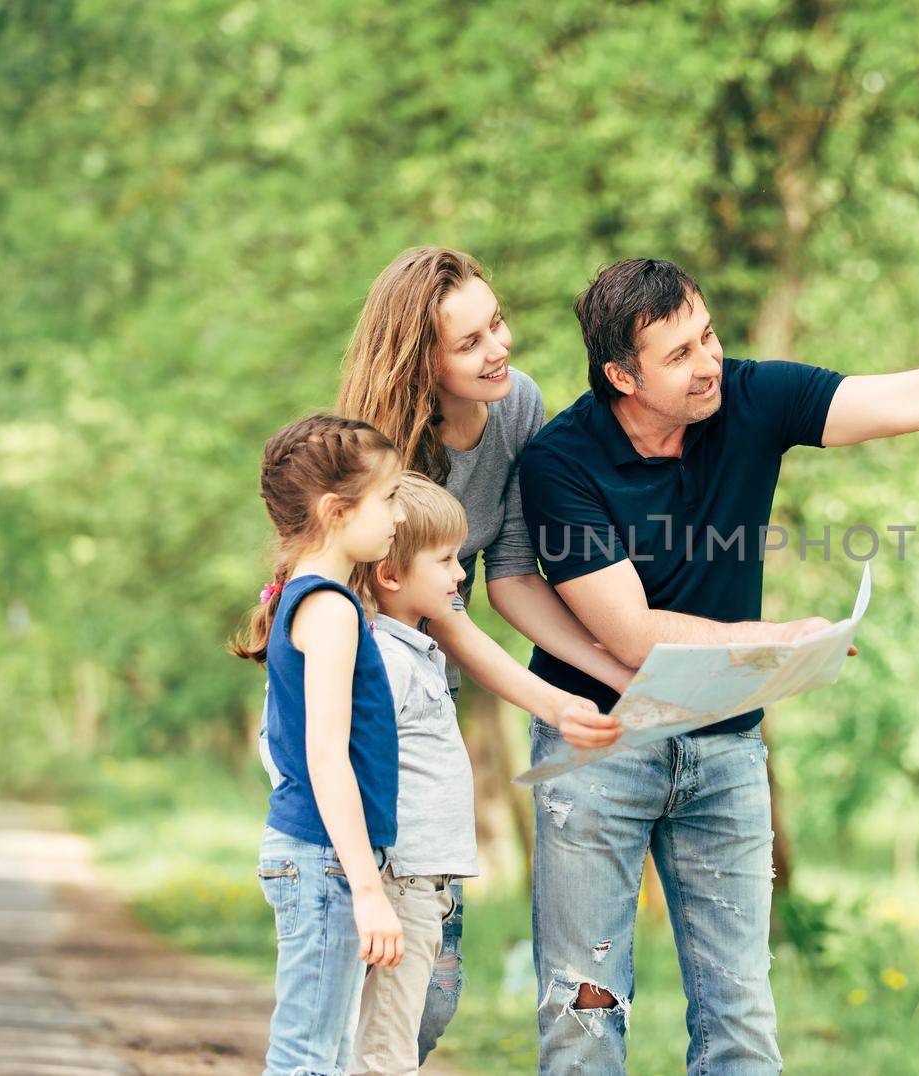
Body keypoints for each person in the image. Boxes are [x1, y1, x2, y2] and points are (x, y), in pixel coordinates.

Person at [518, 258, 919, 1074]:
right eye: (679, 355)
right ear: (621, 375)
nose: (709, 361)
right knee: (584, 1013)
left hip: (724, 747)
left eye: (707, 335)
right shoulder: (559, 460)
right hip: (597, 748)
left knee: (740, 1019)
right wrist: (782, 638)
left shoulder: (749, 397)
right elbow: (633, 636)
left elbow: (913, 397)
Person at [335, 245, 627, 1060]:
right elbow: (438, 614)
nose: (499, 348)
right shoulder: (382, 453)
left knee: (433, 985)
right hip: (372, 720)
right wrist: (555, 701)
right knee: (396, 984)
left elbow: (510, 578)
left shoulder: (518, 405)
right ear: (419, 365)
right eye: (469, 344)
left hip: (436, 705)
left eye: (495, 323)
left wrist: (620, 674)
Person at [228, 414, 407, 1076]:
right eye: (387, 499)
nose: (396, 517)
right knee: (308, 1059)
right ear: (337, 511)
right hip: (325, 860)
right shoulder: (329, 609)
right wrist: (366, 887)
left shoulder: (301, 597)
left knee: (322, 1055)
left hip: (314, 856)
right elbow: (325, 757)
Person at [350, 474, 480, 1074]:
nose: (460, 575)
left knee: (397, 1034)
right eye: (447, 560)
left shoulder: (418, 655)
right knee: (387, 1049)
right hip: (400, 879)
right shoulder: (384, 659)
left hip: (425, 883)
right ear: (392, 576)